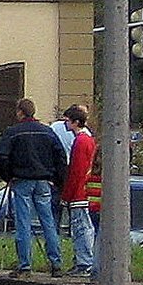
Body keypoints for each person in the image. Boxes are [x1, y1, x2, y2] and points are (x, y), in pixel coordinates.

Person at [0, 97, 67, 277]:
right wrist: (57, 179)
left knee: (23, 223)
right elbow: (60, 157)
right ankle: (56, 263)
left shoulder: (13, 132)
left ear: (20, 112)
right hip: (43, 181)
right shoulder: (47, 132)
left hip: (22, 179)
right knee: (48, 221)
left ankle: (25, 264)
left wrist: (8, 176)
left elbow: (0, 155)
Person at [61, 105, 97, 276]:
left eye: (68, 120)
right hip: (83, 192)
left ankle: (84, 262)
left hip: (79, 194)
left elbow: (76, 170)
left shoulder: (81, 141)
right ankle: (84, 260)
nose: (65, 123)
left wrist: (67, 194)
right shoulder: (88, 140)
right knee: (83, 227)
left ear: (76, 122)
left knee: (81, 227)